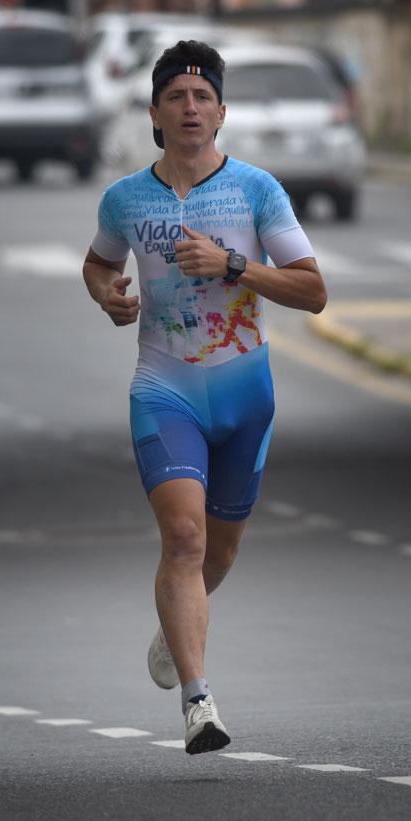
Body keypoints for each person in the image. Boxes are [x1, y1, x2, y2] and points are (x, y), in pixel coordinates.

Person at [82, 40, 327, 754]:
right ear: (155, 113)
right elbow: (98, 264)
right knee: (183, 540)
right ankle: (199, 703)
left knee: (217, 555)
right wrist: (109, 295)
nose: (190, 108)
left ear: (222, 112)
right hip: (165, 390)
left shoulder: (255, 191)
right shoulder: (126, 199)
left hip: (246, 397)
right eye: (175, 97)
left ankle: (172, 633)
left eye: (202, 97)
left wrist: (235, 265)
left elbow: (312, 290)